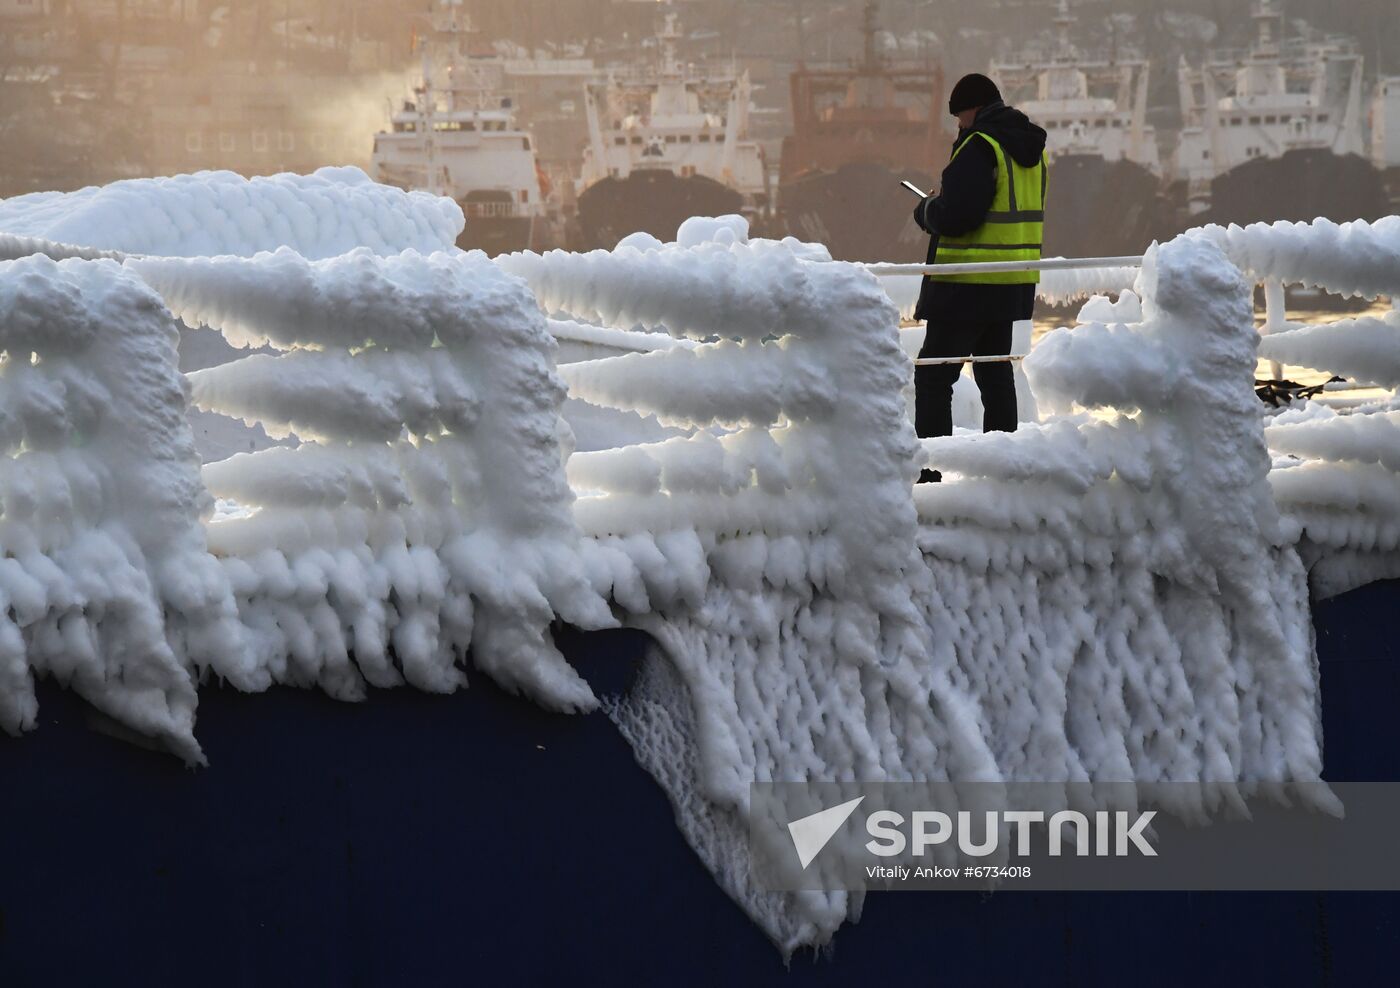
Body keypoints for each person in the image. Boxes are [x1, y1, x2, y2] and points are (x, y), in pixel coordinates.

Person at [911, 73, 1048, 482]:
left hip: (966, 284)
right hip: (1009, 283)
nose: (958, 125)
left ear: (973, 109)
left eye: (959, 116)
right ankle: (1000, 470)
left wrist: (927, 210)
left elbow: (958, 216)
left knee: (934, 374)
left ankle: (931, 474)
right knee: (994, 371)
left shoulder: (980, 146)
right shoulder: (1030, 151)